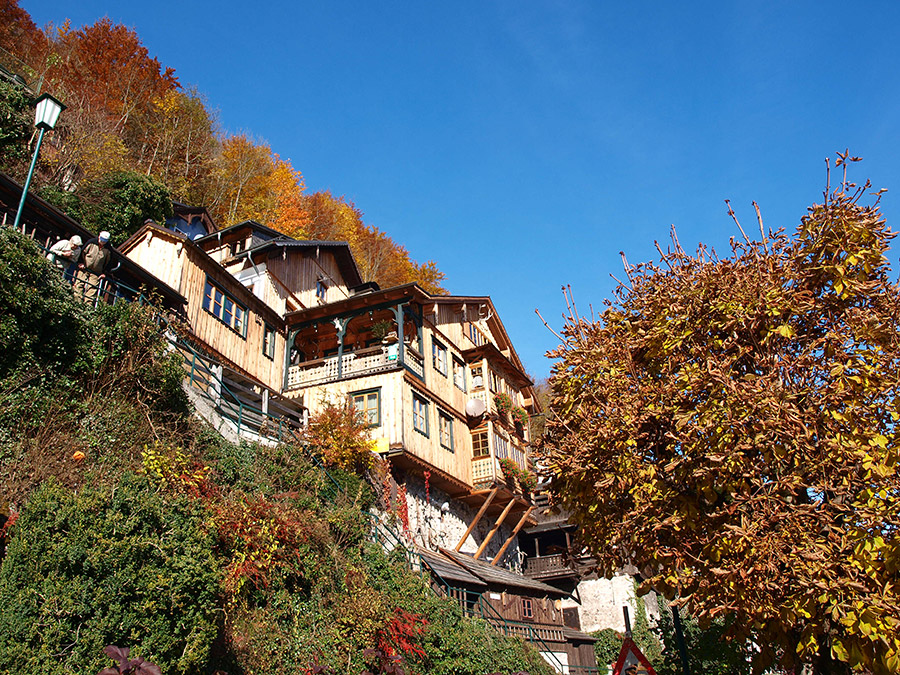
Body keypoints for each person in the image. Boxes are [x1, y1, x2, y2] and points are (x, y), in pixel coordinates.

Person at [75, 231, 112, 303]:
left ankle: (87, 308)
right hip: (84, 269)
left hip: (96, 273)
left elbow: (109, 262)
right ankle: (76, 303)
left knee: (91, 291)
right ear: (99, 237)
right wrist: (80, 263)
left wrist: (105, 273)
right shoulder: (91, 242)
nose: (102, 242)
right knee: (79, 285)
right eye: (101, 240)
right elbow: (83, 252)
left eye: (104, 241)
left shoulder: (109, 249)